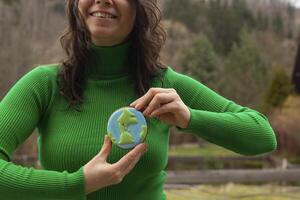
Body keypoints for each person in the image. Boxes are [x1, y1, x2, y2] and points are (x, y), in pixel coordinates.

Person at [0, 0, 277, 199]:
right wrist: (76, 184)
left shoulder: (164, 86)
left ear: (139, 9)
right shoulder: (44, 84)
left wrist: (189, 118)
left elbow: (263, 135)